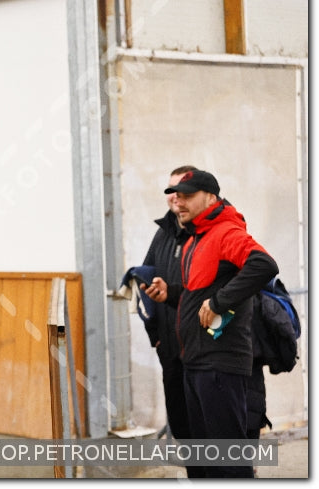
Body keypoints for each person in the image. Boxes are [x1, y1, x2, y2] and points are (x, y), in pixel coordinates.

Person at [143, 169, 278, 478]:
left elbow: (264, 265)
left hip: (220, 362)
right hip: (195, 360)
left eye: (188, 196)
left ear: (211, 197)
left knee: (228, 460)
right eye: (176, 196)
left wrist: (219, 302)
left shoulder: (225, 231)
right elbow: (197, 294)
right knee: (204, 456)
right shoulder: (196, 237)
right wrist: (171, 293)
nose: (179, 202)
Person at [140, 165, 205, 478]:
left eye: (181, 192)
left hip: (208, 354)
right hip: (172, 352)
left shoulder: (214, 232)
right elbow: (146, 283)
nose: (174, 199)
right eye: (170, 192)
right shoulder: (164, 232)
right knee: (185, 431)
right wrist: (156, 336)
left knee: (221, 435)